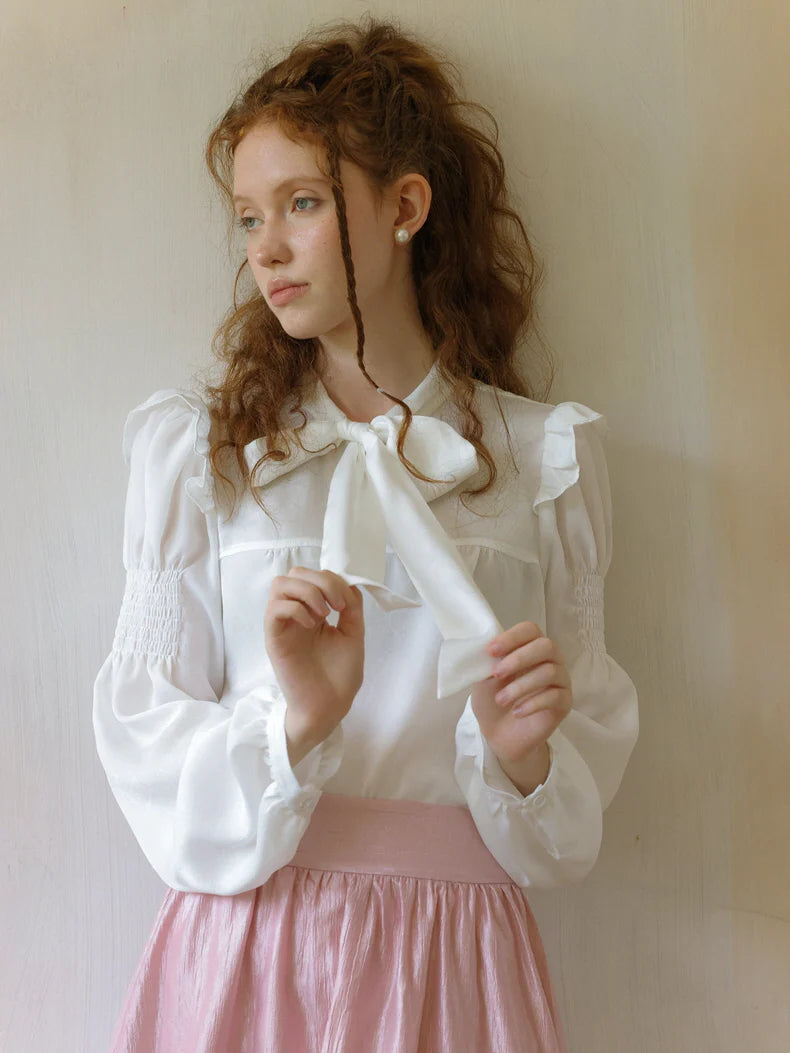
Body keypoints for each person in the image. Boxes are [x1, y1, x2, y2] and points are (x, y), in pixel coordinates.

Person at [92, 14, 639, 1052]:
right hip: (252, 954)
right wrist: (296, 721)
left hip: (455, 962)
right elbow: (142, 733)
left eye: (301, 203)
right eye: (249, 216)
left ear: (405, 206)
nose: (266, 248)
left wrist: (525, 758)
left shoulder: (546, 463)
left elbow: (568, 816)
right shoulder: (203, 457)